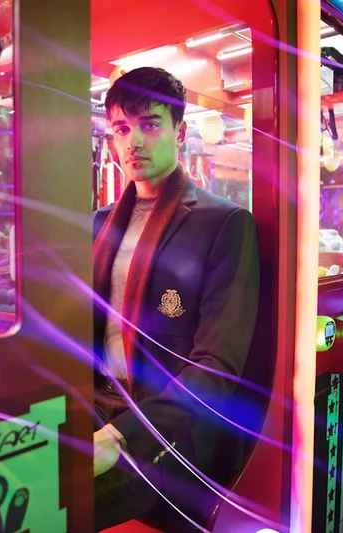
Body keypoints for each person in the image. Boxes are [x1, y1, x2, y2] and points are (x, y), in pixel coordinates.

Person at [92, 67, 260, 531]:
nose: (133, 142)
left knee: (57, 503)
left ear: (180, 133)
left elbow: (216, 368)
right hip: (96, 405)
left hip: (170, 430)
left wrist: (122, 435)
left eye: (150, 125)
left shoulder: (224, 223)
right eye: (121, 129)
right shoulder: (99, 223)